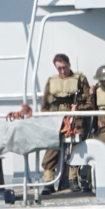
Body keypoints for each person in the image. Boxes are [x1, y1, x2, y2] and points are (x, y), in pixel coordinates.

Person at [40, 54, 92, 187]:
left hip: (75, 119)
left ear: (69, 64)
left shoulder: (80, 79)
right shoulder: (51, 81)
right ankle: (48, 181)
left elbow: (90, 104)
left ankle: (73, 178)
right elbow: (44, 107)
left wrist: (78, 109)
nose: (62, 71)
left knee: (77, 146)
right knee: (52, 145)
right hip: (57, 119)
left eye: (64, 67)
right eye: (59, 69)